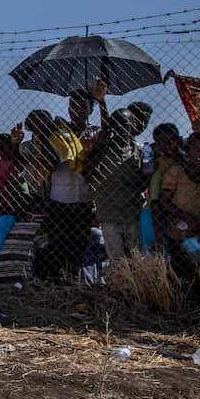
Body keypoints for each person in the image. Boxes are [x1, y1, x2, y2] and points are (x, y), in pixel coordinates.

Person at [24, 109, 92, 279]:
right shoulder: (57, 137)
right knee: (68, 244)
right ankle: (65, 277)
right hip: (71, 197)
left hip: (67, 198)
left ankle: (68, 277)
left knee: (68, 244)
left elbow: (51, 162)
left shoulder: (57, 136)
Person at [84, 108, 145, 259]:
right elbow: (88, 174)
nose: (121, 128)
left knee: (136, 255)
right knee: (116, 258)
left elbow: (144, 180)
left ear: (133, 126)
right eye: (116, 125)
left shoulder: (139, 151)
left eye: (125, 124)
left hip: (132, 212)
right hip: (109, 212)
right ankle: (120, 281)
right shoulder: (102, 150)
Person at [145, 123, 183, 252]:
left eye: (169, 141)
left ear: (177, 139)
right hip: (158, 211)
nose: (165, 146)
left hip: (181, 210)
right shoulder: (159, 163)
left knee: (188, 250)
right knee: (162, 252)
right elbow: (154, 196)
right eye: (159, 143)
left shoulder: (186, 161)